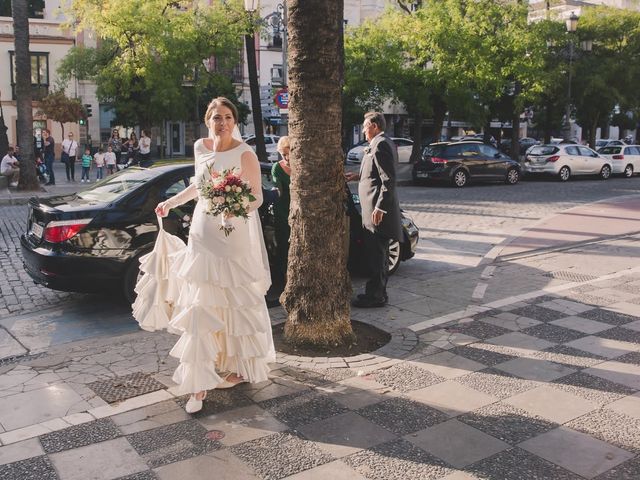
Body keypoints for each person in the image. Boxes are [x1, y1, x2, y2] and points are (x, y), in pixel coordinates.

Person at [153, 97, 274, 414]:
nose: (223, 122)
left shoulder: (244, 153)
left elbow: (257, 197)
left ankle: (237, 368)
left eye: (228, 117)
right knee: (200, 304)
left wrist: (236, 209)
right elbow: (198, 185)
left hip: (231, 236)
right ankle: (199, 383)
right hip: (202, 233)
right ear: (208, 120)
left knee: (234, 302)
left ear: (235, 121)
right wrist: (171, 203)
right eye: (217, 117)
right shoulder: (200, 147)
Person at [345, 111, 402, 308]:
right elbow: (375, 175)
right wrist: (358, 176)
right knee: (379, 254)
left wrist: (380, 208)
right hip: (373, 210)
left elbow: (389, 180)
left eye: (365, 126)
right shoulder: (379, 143)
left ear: (375, 126)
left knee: (377, 255)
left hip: (377, 212)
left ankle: (375, 296)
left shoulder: (381, 144)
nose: (363, 130)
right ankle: (378, 293)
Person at [271, 136, 291, 283]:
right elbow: (278, 190)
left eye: (288, 153)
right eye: (283, 154)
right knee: (285, 247)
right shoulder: (277, 167)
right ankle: (285, 280)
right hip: (283, 212)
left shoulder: (302, 166)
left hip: (300, 212)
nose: (286, 157)